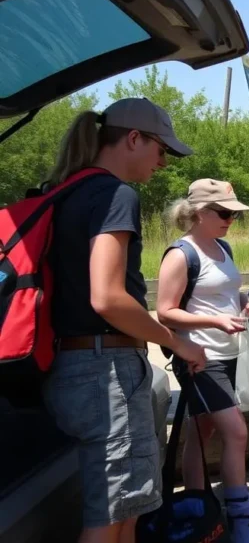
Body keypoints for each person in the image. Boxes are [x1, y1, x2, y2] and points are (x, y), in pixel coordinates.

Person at [43, 98, 206, 543]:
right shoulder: (115, 194)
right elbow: (109, 297)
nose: (163, 162)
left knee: (124, 514)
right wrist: (177, 342)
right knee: (110, 521)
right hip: (106, 374)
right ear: (133, 138)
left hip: (71, 370)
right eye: (161, 149)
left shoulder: (61, 191)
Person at [156, 179, 249, 543]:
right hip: (199, 357)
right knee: (237, 431)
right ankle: (241, 517)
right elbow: (165, 313)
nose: (231, 219)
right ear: (199, 213)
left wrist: (245, 301)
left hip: (228, 352)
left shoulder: (223, 246)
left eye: (234, 213)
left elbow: (224, 290)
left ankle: (200, 509)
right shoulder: (180, 253)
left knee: (203, 431)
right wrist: (214, 321)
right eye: (224, 212)